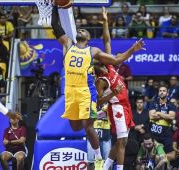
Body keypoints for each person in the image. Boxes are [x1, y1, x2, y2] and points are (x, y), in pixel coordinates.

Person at [51, 5, 145, 169]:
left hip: (97, 98)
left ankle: (101, 160)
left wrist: (131, 48)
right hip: (73, 94)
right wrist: (53, 7)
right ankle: (103, 159)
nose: (81, 30)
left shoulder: (100, 59)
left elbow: (108, 44)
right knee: (75, 127)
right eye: (80, 30)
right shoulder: (70, 45)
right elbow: (55, 26)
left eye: (83, 31)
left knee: (100, 131)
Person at [94, 8, 134, 170]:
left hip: (126, 106)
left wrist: (105, 22)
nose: (105, 54)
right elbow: (97, 101)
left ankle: (105, 167)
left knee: (121, 142)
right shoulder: (101, 80)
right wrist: (114, 93)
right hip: (117, 108)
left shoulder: (109, 66)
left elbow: (107, 41)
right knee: (122, 141)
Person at [149, 85, 176, 153]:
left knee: (168, 153)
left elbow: (171, 117)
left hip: (166, 133)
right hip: (154, 131)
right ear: (158, 93)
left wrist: (159, 113)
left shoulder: (171, 105)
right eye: (160, 91)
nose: (162, 92)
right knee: (153, 152)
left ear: (167, 93)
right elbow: (151, 116)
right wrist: (166, 116)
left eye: (164, 91)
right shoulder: (153, 103)